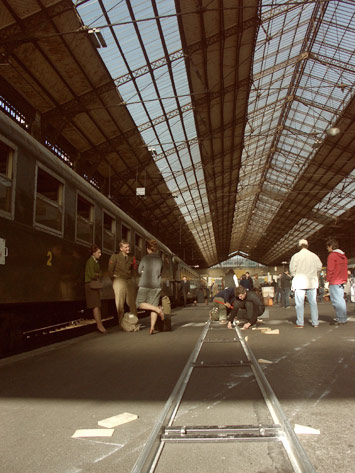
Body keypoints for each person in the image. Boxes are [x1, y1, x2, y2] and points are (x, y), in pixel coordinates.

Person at [289, 239, 322, 328]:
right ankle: (315, 323)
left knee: (299, 304)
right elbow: (319, 267)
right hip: (311, 282)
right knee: (313, 303)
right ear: (307, 246)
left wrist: (295, 275)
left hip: (299, 283)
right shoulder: (314, 256)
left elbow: (292, 270)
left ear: (299, 246)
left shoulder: (295, 256)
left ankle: (300, 323)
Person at [136, 239, 164, 335]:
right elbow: (160, 273)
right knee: (154, 305)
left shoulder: (145, 258)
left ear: (148, 249)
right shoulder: (160, 260)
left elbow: (139, 270)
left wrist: (145, 272)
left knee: (138, 303)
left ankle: (157, 309)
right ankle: (152, 328)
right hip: (156, 285)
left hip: (145, 284)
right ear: (155, 250)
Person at [108, 240, 137, 326]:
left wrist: (133, 279)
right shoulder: (115, 256)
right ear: (121, 248)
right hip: (119, 280)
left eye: (128, 247)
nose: (128, 249)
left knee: (132, 303)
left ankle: (134, 322)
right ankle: (121, 323)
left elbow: (134, 269)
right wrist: (114, 280)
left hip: (129, 280)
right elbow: (110, 270)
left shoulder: (132, 257)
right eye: (126, 247)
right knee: (120, 303)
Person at [84, 244, 106, 333]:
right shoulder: (90, 261)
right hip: (90, 285)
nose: (100, 254)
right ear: (93, 253)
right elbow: (91, 274)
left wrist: (98, 274)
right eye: (98, 252)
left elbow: (99, 272)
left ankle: (99, 324)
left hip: (93, 284)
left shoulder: (95, 261)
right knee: (96, 306)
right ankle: (99, 326)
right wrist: (98, 275)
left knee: (97, 305)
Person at [326, 238, 348, 325]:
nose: (327, 249)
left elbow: (330, 269)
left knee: (336, 301)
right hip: (341, 280)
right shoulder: (343, 256)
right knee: (341, 300)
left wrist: (328, 279)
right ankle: (343, 317)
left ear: (331, 246)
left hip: (334, 280)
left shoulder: (332, 255)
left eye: (328, 247)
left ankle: (341, 319)